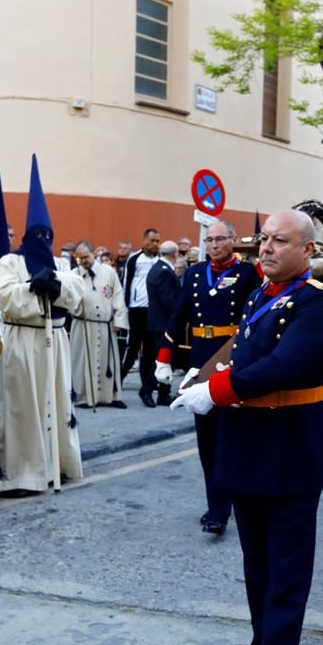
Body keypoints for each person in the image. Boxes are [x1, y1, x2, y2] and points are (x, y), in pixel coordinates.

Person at [170, 208, 323, 645]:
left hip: (291, 456)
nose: (265, 248)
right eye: (263, 238)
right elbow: (241, 351)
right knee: (256, 571)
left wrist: (216, 391)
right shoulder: (262, 294)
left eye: (279, 241)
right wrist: (195, 376)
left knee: (286, 581)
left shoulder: (318, 300)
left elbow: (284, 366)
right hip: (250, 451)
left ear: (306, 250)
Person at [155, 219, 261, 534]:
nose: (214, 245)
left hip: (232, 359)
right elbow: (178, 316)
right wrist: (164, 357)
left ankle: (228, 507)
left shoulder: (247, 274)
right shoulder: (195, 273)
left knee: (232, 438)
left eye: (220, 239)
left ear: (232, 240)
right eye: (210, 240)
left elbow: (255, 318)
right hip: (200, 363)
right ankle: (217, 506)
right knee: (208, 440)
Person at [0, 156, 85, 491]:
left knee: (57, 400)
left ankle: (56, 463)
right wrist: (31, 288)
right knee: (22, 407)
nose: (42, 239)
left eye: (47, 234)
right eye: (37, 234)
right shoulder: (11, 261)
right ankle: (23, 473)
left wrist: (56, 286)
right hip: (23, 343)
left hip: (55, 340)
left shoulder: (62, 262)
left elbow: (77, 292)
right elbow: (3, 298)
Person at [70, 240, 129, 408]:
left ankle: (110, 396)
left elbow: (117, 295)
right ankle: (83, 396)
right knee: (81, 362)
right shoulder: (75, 274)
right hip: (83, 324)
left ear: (93, 254)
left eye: (86, 257)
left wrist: (119, 319)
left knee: (107, 361)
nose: (84, 261)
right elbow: (69, 298)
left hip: (105, 326)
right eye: (80, 258)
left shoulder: (109, 272)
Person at [121, 228, 163, 405]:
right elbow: (127, 284)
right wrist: (125, 309)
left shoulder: (161, 260)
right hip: (137, 310)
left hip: (153, 311)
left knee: (150, 351)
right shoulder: (134, 259)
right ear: (144, 240)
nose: (155, 244)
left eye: (157, 241)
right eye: (152, 240)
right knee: (133, 348)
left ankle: (146, 389)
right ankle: (118, 380)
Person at [145, 240, 182, 406]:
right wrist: (181, 310)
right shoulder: (165, 271)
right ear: (175, 253)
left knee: (165, 359)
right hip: (163, 323)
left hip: (157, 321)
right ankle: (146, 389)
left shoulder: (157, 268)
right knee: (163, 359)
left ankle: (163, 394)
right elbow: (167, 299)